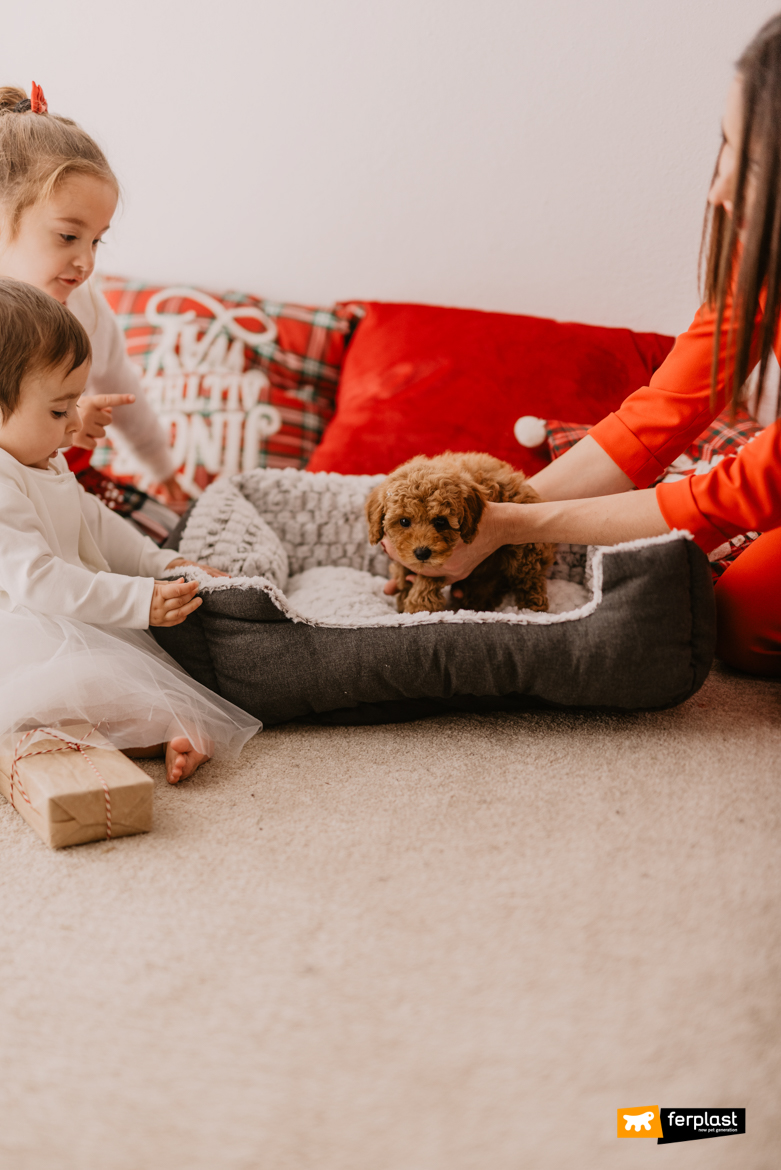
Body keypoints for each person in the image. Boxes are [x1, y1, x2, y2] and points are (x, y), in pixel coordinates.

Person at [382, 14, 781, 678]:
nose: (717, 190)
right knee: (736, 618)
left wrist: (513, 528)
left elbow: (734, 496)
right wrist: (496, 521)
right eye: (725, 147)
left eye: (755, 162)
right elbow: (662, 411)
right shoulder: (760, 253)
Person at [0, 278, 260, 782]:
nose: (75, 425)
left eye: (75, 404)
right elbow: (38, 579)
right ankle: (154, 732)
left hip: (67, 610)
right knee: (89, 684)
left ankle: (159, 727)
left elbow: (95, 522)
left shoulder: (43, 458)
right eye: (59, 410)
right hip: (21, 626)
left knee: (151, 674)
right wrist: (136, 601)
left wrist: (160, 564)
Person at [0, 83, 189, 510]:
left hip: (72, 495)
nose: (86, 262)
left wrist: (161, 470)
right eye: (68, 236)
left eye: (97, 241)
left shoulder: (84, 309)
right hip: (10, 515)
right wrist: (60, 425)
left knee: (170, 541)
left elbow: (125, 393)